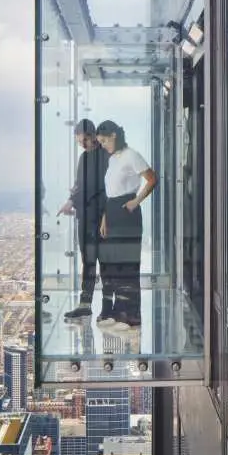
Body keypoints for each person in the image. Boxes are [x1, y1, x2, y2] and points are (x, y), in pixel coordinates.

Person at [95, 120, 158, 331]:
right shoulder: (113, 159)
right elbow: (110, 192)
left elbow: (151, 179)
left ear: (113, 135)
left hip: (127, 211)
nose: (102, 144)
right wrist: (105, 218)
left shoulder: (132, 154)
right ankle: (117, 311)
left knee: (128, 265)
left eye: (103, 140)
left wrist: (136, 201)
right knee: (114, 264)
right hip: (112, 211)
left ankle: (131, 316)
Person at [57, 119, 110, 320]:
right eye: (80, 142)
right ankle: (85, 304)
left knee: (104, 261)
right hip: (85, 216)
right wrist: (71, 200)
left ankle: (107, 308)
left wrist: (76, 200)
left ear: (93, 135)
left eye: (84, 141)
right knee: (87, 261)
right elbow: (80, 185)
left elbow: (104, 189)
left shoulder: (107, 156)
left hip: (102, 217)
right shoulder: (83, 158)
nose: (83, 145)